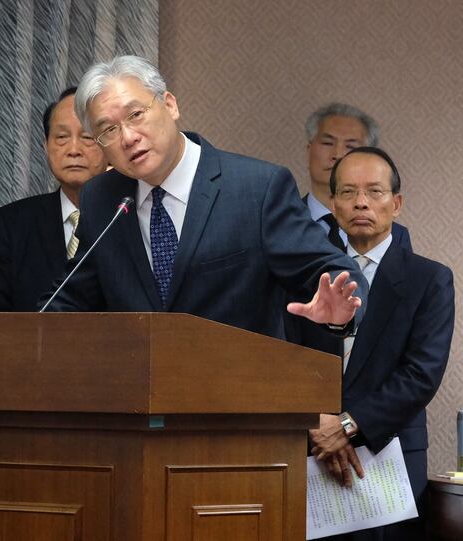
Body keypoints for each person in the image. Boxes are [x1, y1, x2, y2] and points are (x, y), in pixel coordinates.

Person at [43, 55, 366, 338]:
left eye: (136, 115)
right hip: (141, 398)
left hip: (239, 396)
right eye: (108, 130)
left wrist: (342, 309)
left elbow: (335, 271)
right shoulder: (103, 198)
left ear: (170, 104)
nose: (128, 137)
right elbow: (72, 295)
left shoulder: (257, 188)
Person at [303, 147, 453, 540]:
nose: (362, 203)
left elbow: (421, 374)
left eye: (374, 191)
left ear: (397, 203)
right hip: (311, 449)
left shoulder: (430, 280)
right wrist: (320, 423)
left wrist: (350, 426)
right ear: (333, 205)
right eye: (349, 193)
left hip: (389, 456)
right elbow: (286, 359)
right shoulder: (305, 276)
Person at [0, 87, 108, 310]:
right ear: (45, 146)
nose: (73, 150)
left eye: (87, 137)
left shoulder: (129, 215)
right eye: (61, 137)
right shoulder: (12, 223)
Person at [303, 103, 411, 251]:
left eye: (351, 146)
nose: (338, 155)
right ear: (309, 151)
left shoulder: (396, 234)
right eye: (328, 143)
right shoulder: (281, 224)